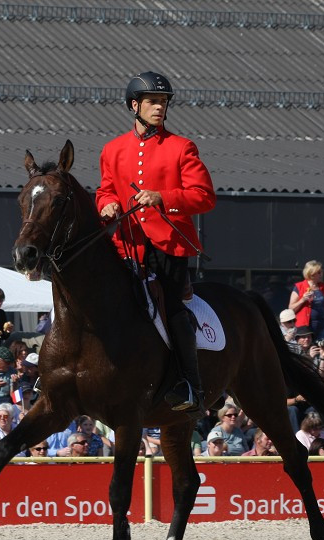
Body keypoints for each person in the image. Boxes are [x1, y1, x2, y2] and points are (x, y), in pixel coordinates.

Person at [97, 71, 217, 413]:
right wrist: (105, 204)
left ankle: (189, 385)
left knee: (172, 308)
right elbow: (105, 189)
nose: (159, 108)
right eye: (152, 102)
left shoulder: (182, 147)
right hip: (126, 244)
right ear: (134, 105)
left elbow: (204, 197)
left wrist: (163, 197)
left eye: (163, 102)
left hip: (169, 245)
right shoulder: (112, 149)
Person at [289, 260, 324, 342]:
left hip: (322, 324)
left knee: (323, 347)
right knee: (308, 348)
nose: (321, 274)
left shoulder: (323, 286)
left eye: (321, 272)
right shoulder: (300, 286)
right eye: (319, 272)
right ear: (311, 274)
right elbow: (291, 309)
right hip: (306, 326)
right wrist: (302, 299)